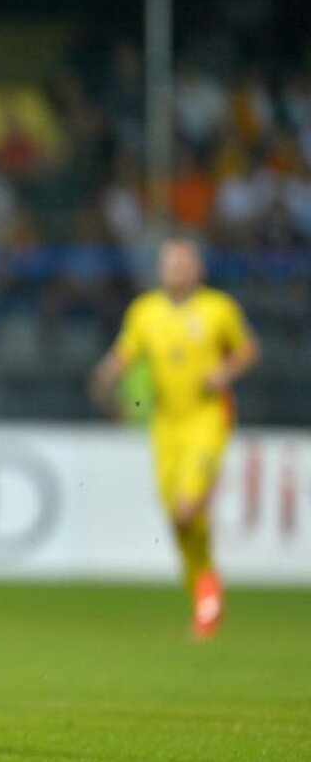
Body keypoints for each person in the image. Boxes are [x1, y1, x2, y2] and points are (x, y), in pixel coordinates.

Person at [93, 237, 259, 640]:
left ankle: (206, 592)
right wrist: (106, 376)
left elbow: (247, 350)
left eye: (184, 262)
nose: (177, 269)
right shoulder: (145, 312)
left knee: (188, 509)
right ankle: (205, 592)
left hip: (207, 419)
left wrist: (225, 372)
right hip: (165, 426)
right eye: (171, 263)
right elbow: (125, 354)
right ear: (161, 269)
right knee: (178, 519)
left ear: (198, 269)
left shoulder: (219, 309)